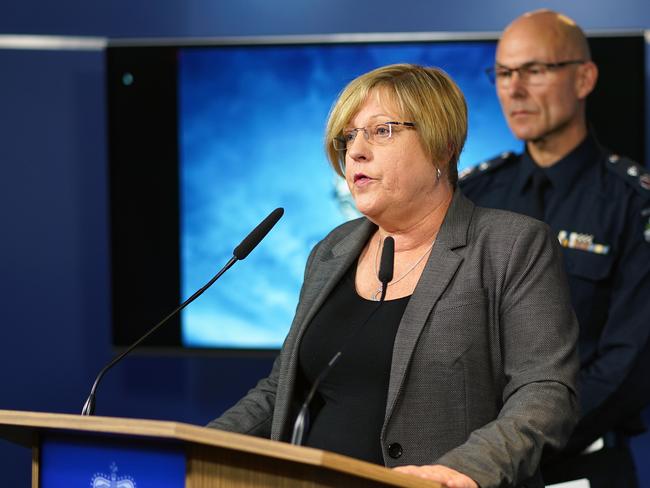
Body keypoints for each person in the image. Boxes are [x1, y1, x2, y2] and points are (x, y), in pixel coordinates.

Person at [208, 63, 579, 488]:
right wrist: (193, 447)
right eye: (348, 137)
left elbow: (545, 392)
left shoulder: (510, 245)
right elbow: (280, 390)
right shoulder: (332, 250)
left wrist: (464, 470)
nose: (356, 152)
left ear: (441, 146)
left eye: (381, 130)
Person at [459, 10, 650, 488]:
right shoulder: (474, 195)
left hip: (578, 465)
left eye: (535, 70)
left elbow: (628, 366)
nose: (514, 89)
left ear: (584, 78)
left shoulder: (633, 204)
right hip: (470, 463)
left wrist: (519, 439)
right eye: (504, 73)